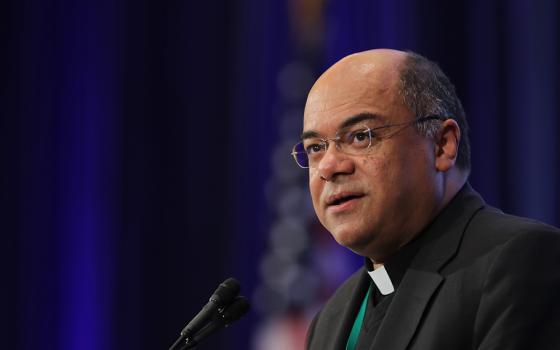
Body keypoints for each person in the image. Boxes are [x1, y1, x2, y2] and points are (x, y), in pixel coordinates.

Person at [291, 49, 560, 350]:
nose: (328, 166)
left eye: (360, 136)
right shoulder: (331, 319)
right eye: (315, 148)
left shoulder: (518, 262)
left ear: (442, 145)